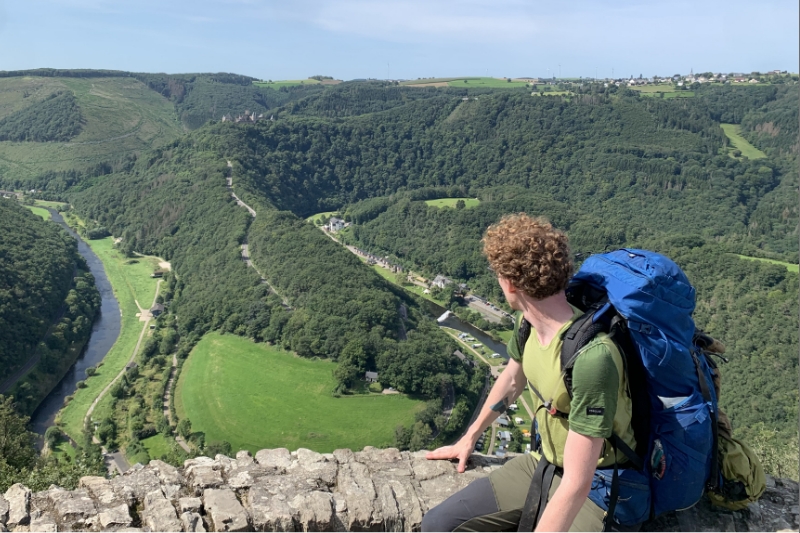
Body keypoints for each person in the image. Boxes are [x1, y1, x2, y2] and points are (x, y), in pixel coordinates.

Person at [422, 214, 638, 532]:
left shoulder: (593, 357)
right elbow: (511, 380)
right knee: (439, 526)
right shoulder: (527, 325)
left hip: (598, 486)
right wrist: (469, 437)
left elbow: (578, 483)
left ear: (510, 283)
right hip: (544, 463)